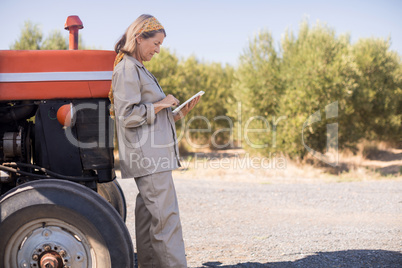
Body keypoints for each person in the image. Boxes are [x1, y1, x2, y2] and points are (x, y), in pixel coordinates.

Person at [110, 14, 201, 268]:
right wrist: (161, 103)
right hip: (149, 158)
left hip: (150, 156)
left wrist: (178, 112)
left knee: (151, 220)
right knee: (166, 221)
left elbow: (147, 116)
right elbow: (127, 116)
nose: (158, 50)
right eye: (156, 43)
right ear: (139, 37)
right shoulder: (127, 68)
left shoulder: (135, 68)